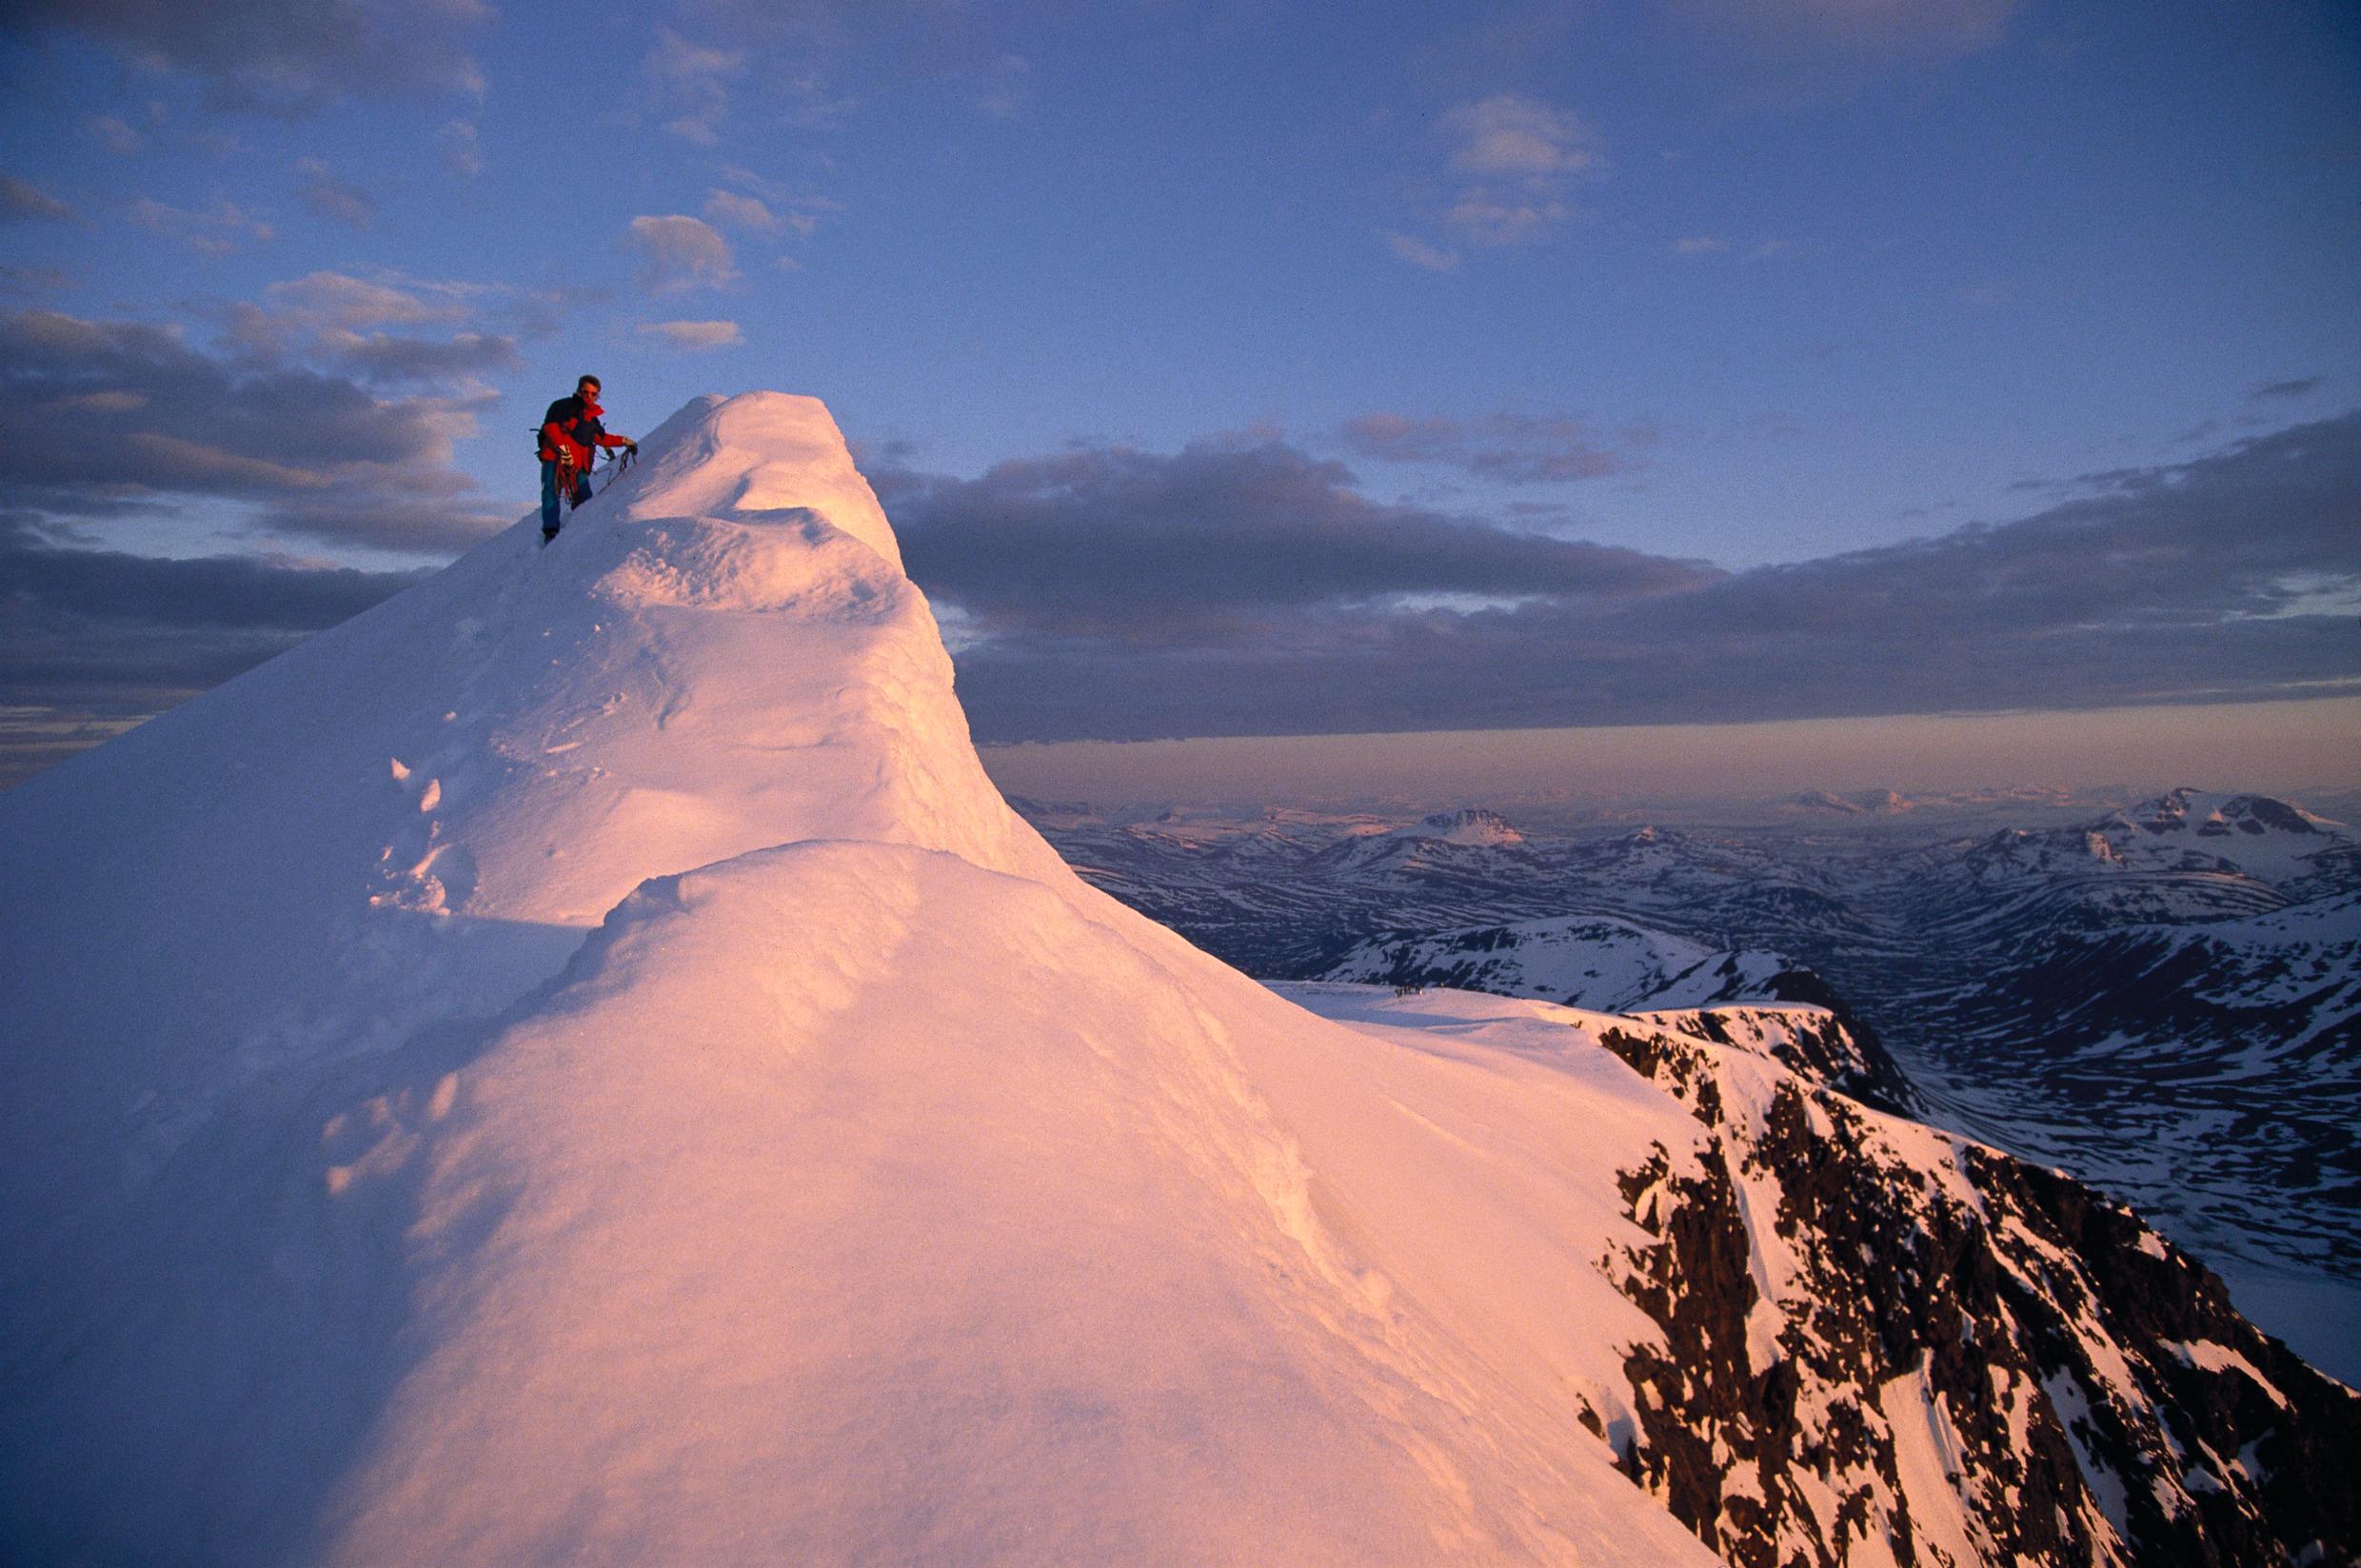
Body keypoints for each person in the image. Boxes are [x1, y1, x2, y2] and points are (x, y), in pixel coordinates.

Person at [537, 374, 637, 539]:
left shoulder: (591, 418)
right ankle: (551, 531)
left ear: (598, 395)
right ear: (579, 390)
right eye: (586, 392)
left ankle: (581, 530)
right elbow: (551, 427)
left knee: (584, 495)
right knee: (551, 490)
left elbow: (600, 438)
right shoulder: (562, 406)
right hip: (554, 458)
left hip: (577, 463)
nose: (589, 396)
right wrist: (563, 449)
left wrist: (624, 441)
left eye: (593, 394)